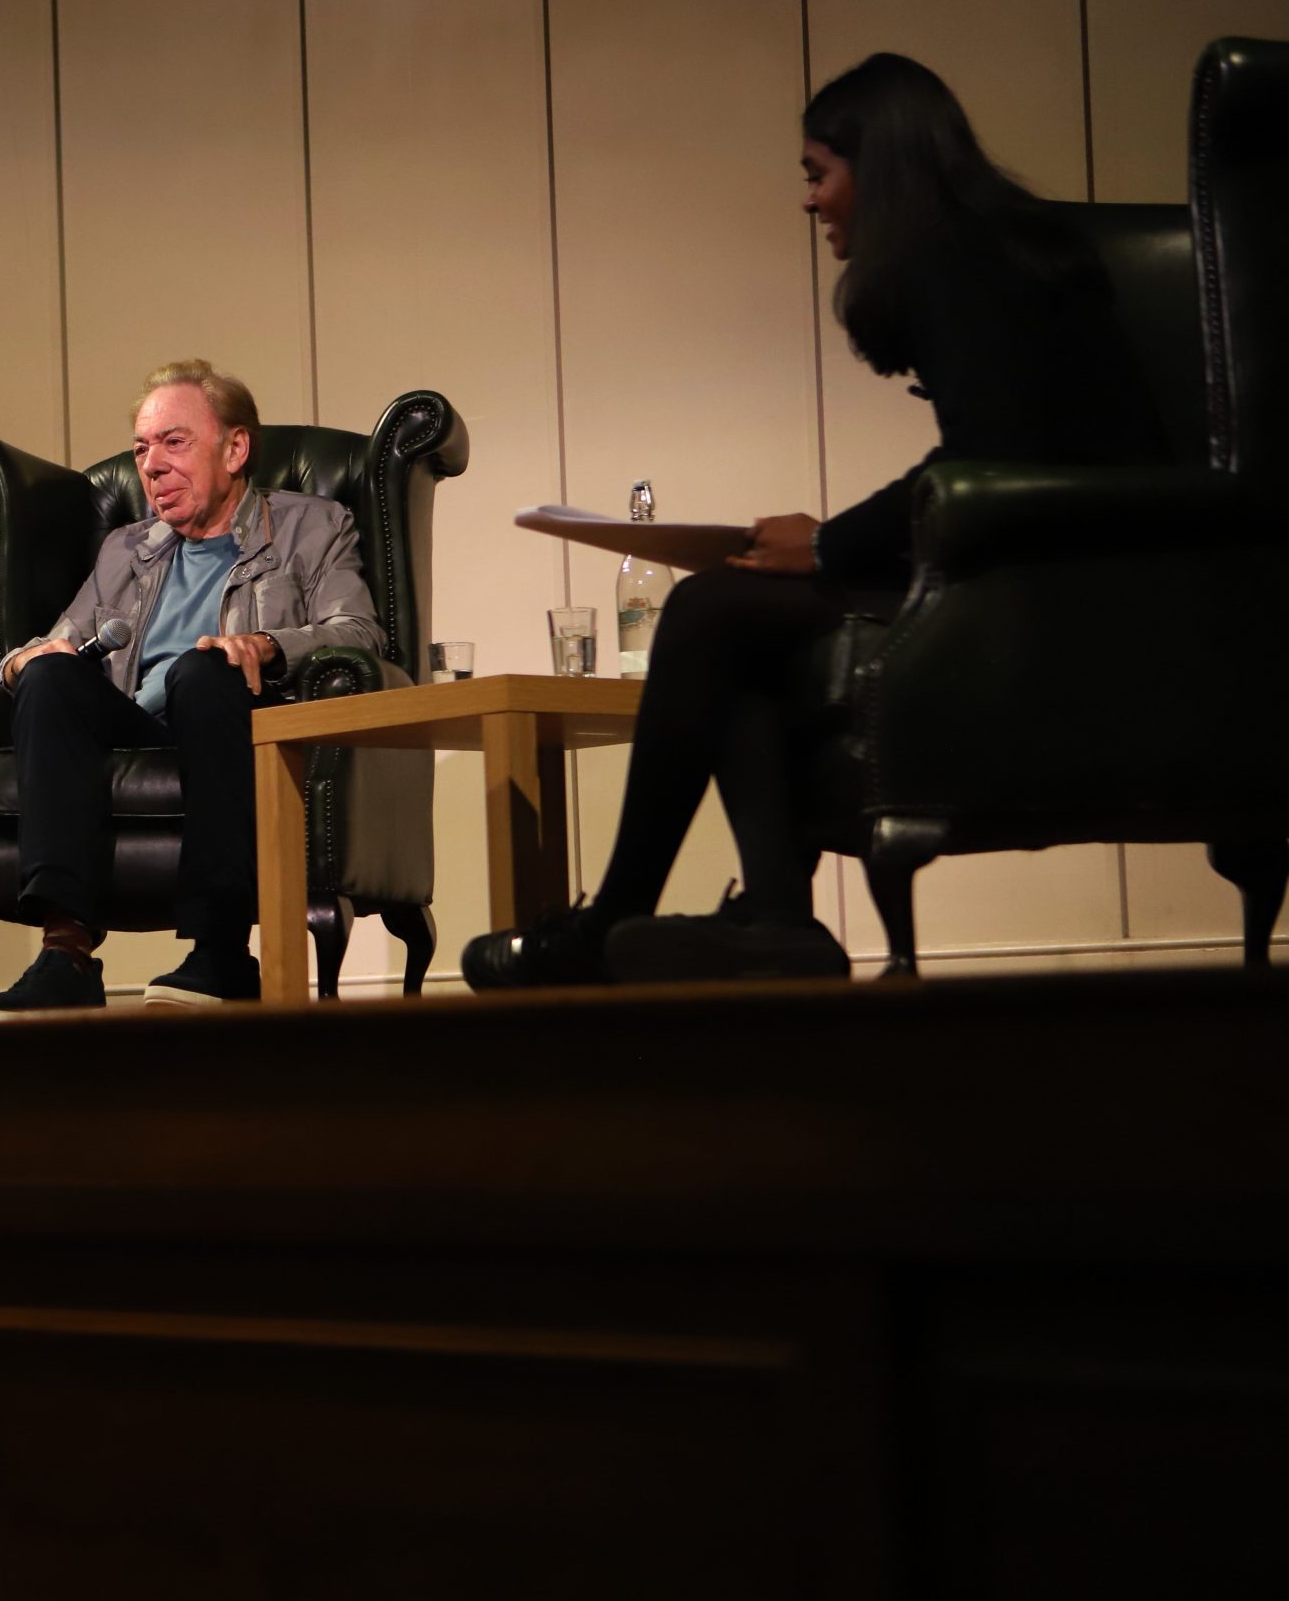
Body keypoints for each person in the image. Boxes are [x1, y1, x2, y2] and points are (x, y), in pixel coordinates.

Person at [463, 53, 1167, 989]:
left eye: (817, 173)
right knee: (739, 621)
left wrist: (829, 544)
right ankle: (778, 918)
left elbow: (983, 460)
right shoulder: (992, 248)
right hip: (1052, 555)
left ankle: (618, 920)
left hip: (1056, 578)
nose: (810, 200)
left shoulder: (960, 261)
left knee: (710, 609)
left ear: (879, 172)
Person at [0, 359, 383, 1011]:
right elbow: (50, 642)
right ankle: (66, 954)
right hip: (140, 724)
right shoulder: (127, 549)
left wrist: (270, 645)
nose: (152, 464)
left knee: (203, 668)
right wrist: (20, 663)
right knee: (53, 676)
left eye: (173, 441)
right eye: (141, 448)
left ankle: (222, 953)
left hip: (235, 716)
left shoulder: (312, 525)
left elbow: (359, 631)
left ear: (235, 447)